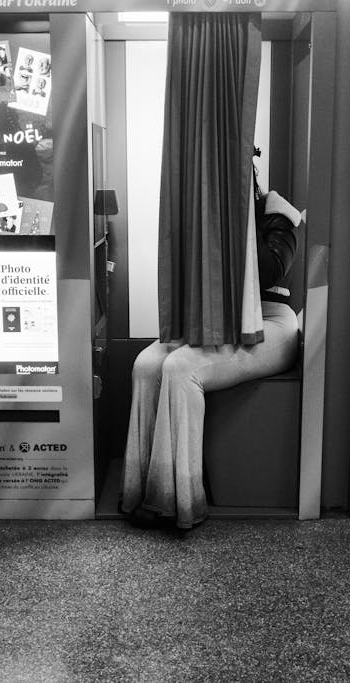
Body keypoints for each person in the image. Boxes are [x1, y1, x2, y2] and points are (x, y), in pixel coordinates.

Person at [121, 166, 303, 531]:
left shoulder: (277, 213)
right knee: (146, 364)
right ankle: (143, 489)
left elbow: (269, 271)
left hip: (269, 319)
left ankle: (179, 499)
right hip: (216, 321)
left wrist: (237, 222)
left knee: (181, 367)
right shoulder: (199, 212)